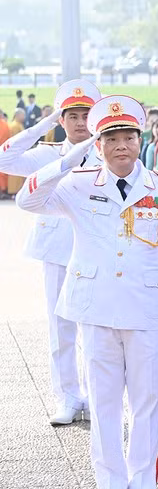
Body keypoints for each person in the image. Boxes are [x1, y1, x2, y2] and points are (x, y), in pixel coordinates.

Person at [18, 95, 158, 489]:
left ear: (140, 140)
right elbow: (27, 200)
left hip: (146, 308)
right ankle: (110, 487)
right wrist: (66, 160)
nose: (121, 146)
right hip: (97, 308)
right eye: (111, 138)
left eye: (128, 137)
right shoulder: (78, 184)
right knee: (104, 402)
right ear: (97, 144)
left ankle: (144, 486)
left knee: (147, 401)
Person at [0, 80, 103, 426]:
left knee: (96, 329)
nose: (79, 122)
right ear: (62, 120)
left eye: (85, 115)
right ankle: (68, 397)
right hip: (57, 250)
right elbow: (4, 158)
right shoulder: (49, 153)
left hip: (97, 250)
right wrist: (41, 125)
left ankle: (96, 397)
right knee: (61, 329)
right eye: (72, 116)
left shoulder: (106, 153)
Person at [5, 109, 24, 195]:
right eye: (22, 115)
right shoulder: (15, 125)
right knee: (15, 173)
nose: (24, 117)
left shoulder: (18, 124)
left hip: (18, 151)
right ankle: (14, 191)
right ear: (17, 115)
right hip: (16, 151)